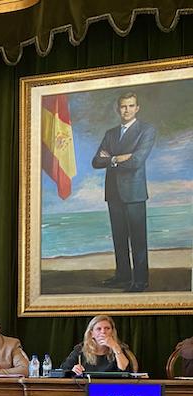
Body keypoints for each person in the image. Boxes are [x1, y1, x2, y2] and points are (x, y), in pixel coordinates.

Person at [91, 92, 157, 293]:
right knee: (119, 239)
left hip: (134, 194)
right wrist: (117, 158)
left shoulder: (146, 130)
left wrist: (111, 158)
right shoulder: (110, 133)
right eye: (123, 106)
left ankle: (140, 281)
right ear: (118, 109)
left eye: (131, 106)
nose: (127, 110)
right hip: (113, 194)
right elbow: (96, 161)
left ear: (137, 108)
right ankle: (122, 276)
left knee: (138, 240)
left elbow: (136, 161)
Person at [61, 315, 135, 375]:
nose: (103, 332)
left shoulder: (120, 347)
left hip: (112, 387)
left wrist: (115, 347)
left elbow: (124, 370)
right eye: (99, 329)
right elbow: (63, 370)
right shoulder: (81, 349)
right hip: (85, 386)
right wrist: (74, 369)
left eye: (107, 328)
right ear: (91, 334)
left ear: (112, 332)